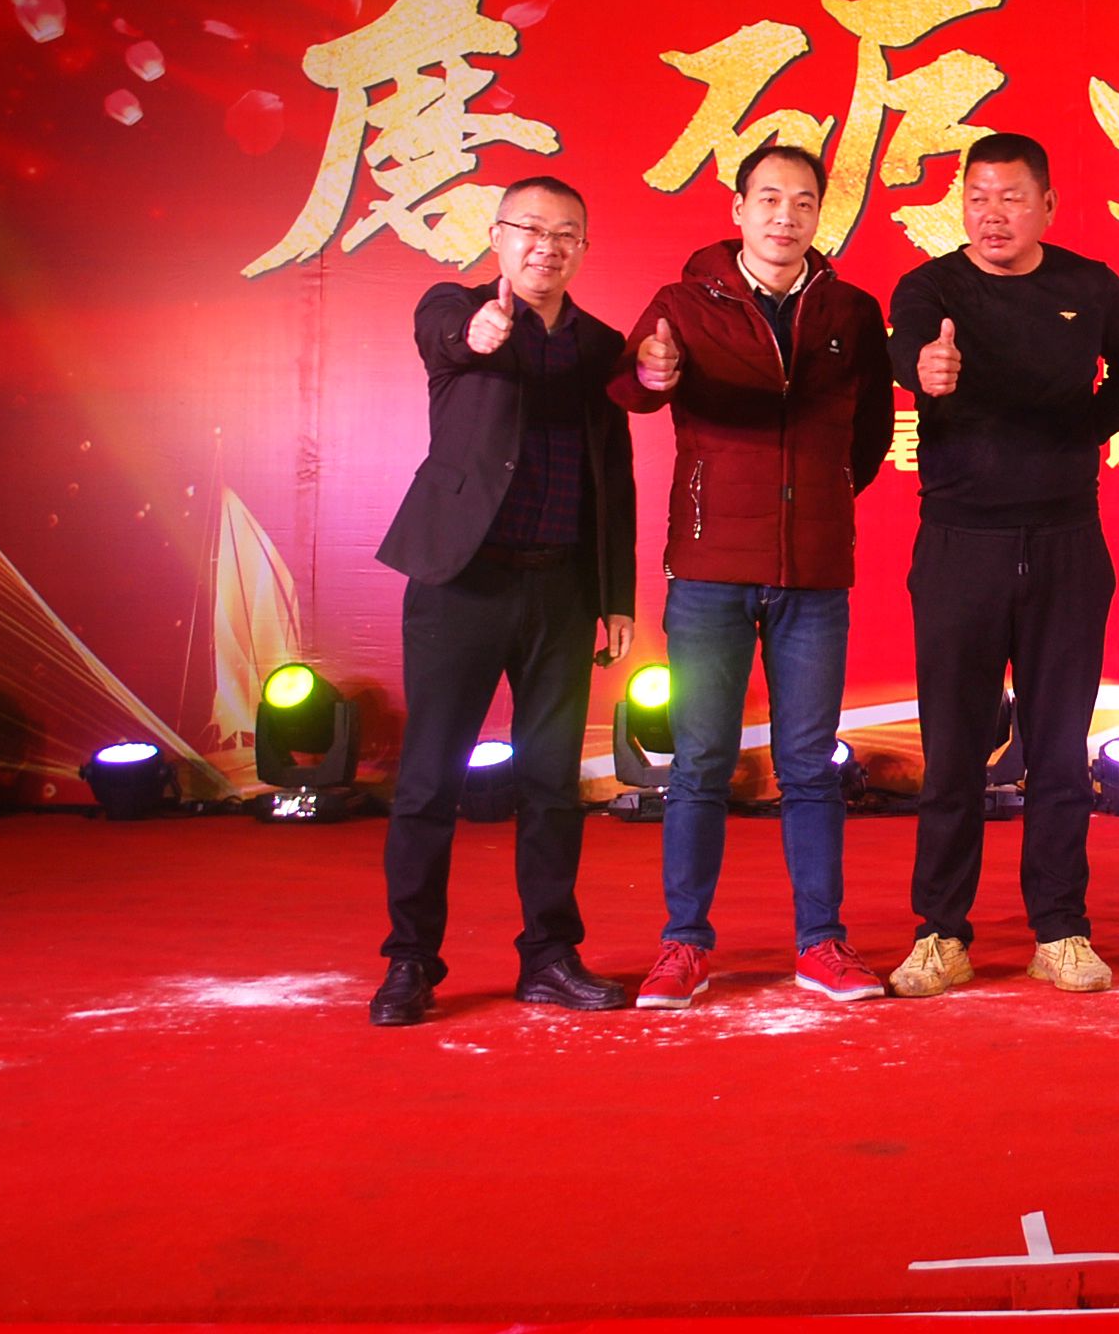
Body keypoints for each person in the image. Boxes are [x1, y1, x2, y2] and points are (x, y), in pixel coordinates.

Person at [610, 141, 896, 1010]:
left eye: (803, 201)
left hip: (814, 573)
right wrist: (652, 372)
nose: (785, 216)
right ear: (737, 210)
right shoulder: (683, 303)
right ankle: (683, 945)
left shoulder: (851, 309)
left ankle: (822, 943)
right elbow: (634, 384)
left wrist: (817, 498)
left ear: (820, 214)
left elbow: (870, 437)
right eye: (768, 198)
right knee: (701, 761)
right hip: (709, 570)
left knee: (811, 765)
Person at [884, 133, 1119, 997]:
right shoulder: (931, 288)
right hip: (961, 543)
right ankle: (940, 933)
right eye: (977, 198)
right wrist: (927, 371)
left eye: (1010, 197)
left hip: (1067, 543)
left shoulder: (1089, 285)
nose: (991, 214)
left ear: (1047, 205)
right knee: (953, 750)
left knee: (1061, 751)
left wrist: (1083, 430)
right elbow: (908, 352)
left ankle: (1061, 930)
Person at [368, 175, 637, 1027]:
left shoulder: (600, 346)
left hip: (560, 589)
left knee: (551, 782)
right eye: (529, 229)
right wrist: (479, 331)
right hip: (462, 582)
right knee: (428, 779)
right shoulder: (454, 309)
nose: (546, 247)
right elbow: (448, 336)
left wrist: (615, 595)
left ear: (583, 248)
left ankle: (550, 957)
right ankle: (411, 960)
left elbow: (615, 476)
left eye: (565, 234)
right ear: (497, 236)